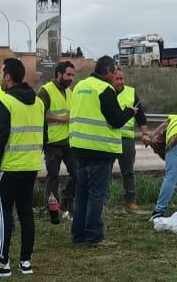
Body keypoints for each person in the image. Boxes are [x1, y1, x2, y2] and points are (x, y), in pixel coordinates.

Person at [0, 57, 43, 277]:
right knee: (26, 212)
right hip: (31, 165)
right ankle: (26, 262)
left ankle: (1, 263)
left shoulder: (5, 102)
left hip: (8, 167)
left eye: (1, 73)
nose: (0, 77)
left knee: (3, 213)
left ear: (8, 76)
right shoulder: (39, 102)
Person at [65, 56, 138, 245]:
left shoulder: (80, 86)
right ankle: (94, 236)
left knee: (81, 195)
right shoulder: (105, 89)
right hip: (99, 150)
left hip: (79, 148)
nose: (115, 77)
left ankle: (78, 235)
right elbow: (116, 120)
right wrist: (130, 112)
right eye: (114, 73)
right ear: (108, 72)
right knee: (97, 195)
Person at [40, 60, 75, 224]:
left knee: (77, 174)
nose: (71, 78)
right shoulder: (45, 91)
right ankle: (52, 209)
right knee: (53, 177)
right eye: (68, 74)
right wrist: (60, 119)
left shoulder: (70, 91)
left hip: (68, 141)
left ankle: (66, 201)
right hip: (52, 142)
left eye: (73, 75)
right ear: (59, 74)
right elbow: (39, 113)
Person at [113, 73, 147, 211]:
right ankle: (103, 200)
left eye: (122, 78)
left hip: (126, 138)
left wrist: (145, 134)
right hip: (108, 138)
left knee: (128, 171)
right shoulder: (105, 92)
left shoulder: (131, 93)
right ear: (111, 79)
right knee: (104, 171)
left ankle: (131, 200)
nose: (120, 81)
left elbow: (140, 116)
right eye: (117, 78)